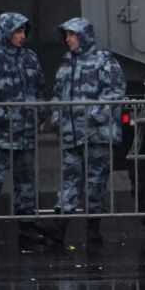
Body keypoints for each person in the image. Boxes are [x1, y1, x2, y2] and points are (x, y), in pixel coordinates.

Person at [0, 12, 50, 249]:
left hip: (25, 133)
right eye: (17, 31)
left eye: (24, 31)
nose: (22, 36)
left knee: (26, 182)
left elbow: (40, 90)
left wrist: (39, 115)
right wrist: (6, 117)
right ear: (6, 32)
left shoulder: (30, 58)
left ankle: (27, 225)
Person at [50, 17, 125, 246]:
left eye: (72, 34)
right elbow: (57, 95)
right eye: (67, 35)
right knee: (70, 180)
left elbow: (114, 92)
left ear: (83, 36)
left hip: (96, 136)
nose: (68, 39)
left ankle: (93, 228)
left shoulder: (103, 61)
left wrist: (93, 117)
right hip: (72, 134)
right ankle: (59, 227)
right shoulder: (66, 65)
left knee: (96, 182)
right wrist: (56, 117)